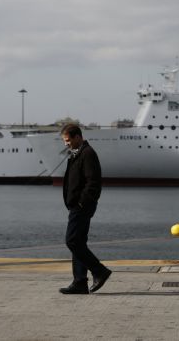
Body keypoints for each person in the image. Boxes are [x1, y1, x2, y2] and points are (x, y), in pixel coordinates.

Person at [58, 123, 111, 294]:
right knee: (78, 242)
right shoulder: (76, 153)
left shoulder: (87, 153)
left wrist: (82, 202)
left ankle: (99, 271)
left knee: (72, 241)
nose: (66, 144)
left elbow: (93, 183)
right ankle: (80, 282)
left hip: (82, 207)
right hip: (76, 205)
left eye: (67, 140)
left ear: (77, 137)